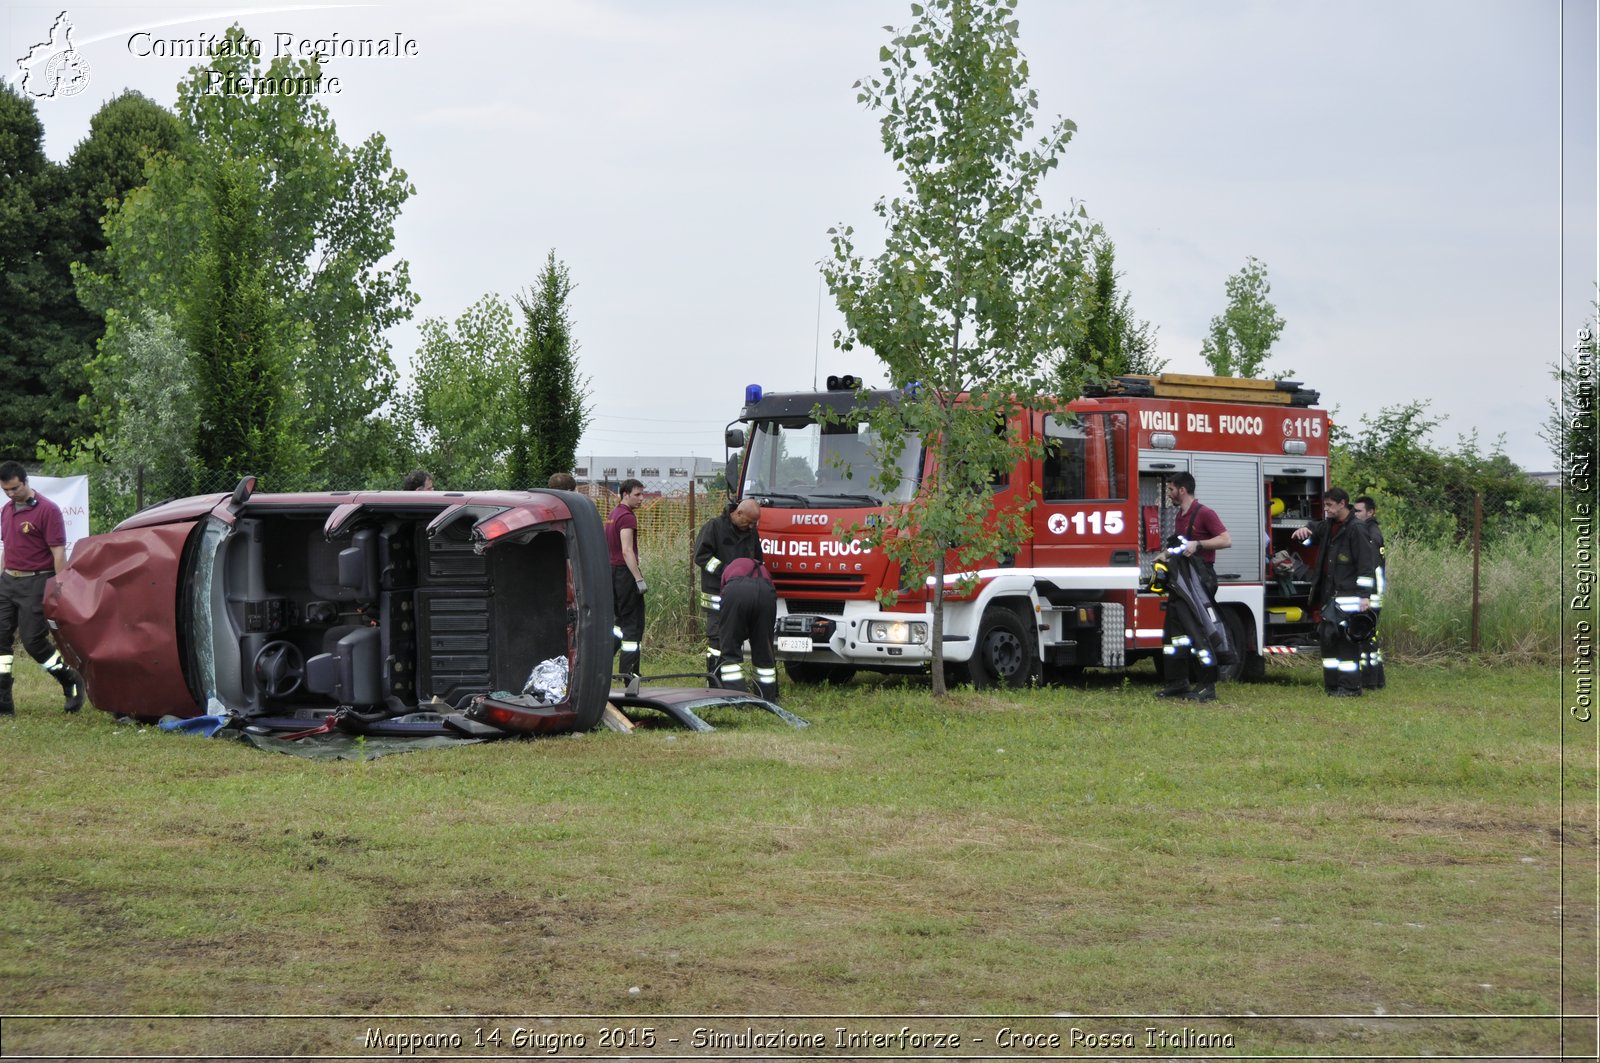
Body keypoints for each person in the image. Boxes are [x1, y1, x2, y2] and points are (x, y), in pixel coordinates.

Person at [0, 462, 84, 715]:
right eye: (6, 490)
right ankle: (3, 701)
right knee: (0, 643)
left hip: (36, 582)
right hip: (8, 582)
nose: (11, 494)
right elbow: (7, 548)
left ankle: (70, 679)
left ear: (26, 481)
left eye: (14, 488)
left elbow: (58, 552)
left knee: (33, 642)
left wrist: (62, 586)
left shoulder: (48, 510)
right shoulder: (6, 510)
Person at [1293, 488, 1379, 697]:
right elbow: (1316, 527)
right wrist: (1306, 529)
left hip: (1349, 595)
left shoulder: (1356, 529)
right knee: (1328, 639)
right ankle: (1332, 685)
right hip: (1330, 594)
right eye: (1324, 505)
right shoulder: (1330, 525)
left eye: (1329, 505)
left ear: (1342, 504)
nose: (1326, 509)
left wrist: (1364, 596)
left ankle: (1350, 687)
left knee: (1345, 642)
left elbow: (1366, 566)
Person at [1157, 471, 1232, 703]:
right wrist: (1166, 554)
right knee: (1175, 634)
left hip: (1200, 580)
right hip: (1181, 581)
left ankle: (1207, 685)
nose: (1168, 494)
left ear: (1182, 490)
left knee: (1200, 632)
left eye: (1171, 489)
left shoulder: (1205, 513)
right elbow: (1182, 546)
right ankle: (1178, 682)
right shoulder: (1180, 515)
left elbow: (1225, 539)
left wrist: (1198, 544)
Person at [692, 498, 763, 684]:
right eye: (747, 522)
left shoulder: (751, 532)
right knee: (717, 641)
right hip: (716, 594)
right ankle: (713, 680)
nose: (749, 527)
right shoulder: (714, 527)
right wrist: (724, 571)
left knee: (736, 637)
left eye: (753, 524)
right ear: (738, 513)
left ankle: (732, 681)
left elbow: (758, 561)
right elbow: (701, 556)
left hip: (741, 595)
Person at [716, 557, 779, 702]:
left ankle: (736, 696)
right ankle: (767, 698)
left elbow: (725, 600)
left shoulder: (729, 569)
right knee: (764, 649)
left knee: (730, 649)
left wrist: (735, 631)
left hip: (736, 591)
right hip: (766, 593)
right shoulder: (761, 568)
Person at [606, 479, 647, 679]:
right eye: (637, 494)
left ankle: (603, 661)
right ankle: (629, 674)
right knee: (632, 625)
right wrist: (639, 579)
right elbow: (627, 550)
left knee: (618, 624)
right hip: (625, 574)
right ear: (625, 494)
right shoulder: (627, 517)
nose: (642, 498)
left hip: (611, 573)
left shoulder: (612, 515)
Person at [1352, 494, 1387, 689]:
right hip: (1372, 594)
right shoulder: (1368, 531)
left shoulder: (1372, 535)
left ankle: (1371, 681)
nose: (1355, 514)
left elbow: (1368, 565)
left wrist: (1363, 594)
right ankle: (1376, 680)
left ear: (1371, 512)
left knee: (1367, 640)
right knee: (1369, 638)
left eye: (1358, 511)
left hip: (1371, 595)